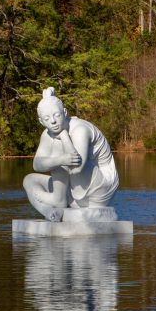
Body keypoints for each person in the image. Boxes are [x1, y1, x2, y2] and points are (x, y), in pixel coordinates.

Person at [22, 87, 119, 222]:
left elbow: (77, 168)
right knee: (29, 180)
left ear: (65, 112)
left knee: (58, 146)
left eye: (57, 115)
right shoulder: (47, 133)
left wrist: (64, 136)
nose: (53, 121)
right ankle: (51, 212)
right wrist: (61, 159)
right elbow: (37, 164)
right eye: (47, 118)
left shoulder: (80, 129)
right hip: (74, 191)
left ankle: (58, 199)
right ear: (41, 122)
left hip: (99, 190)